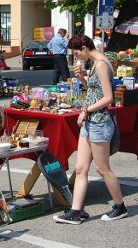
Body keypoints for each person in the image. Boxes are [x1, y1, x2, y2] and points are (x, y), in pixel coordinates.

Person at [54, 34, 127, 225]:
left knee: (103, 169)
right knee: (80, 168)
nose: (77, 56)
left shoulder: (101, 64)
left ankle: (119, 206)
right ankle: (76, 211)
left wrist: (85, 110)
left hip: (99, 122)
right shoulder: (94, 63)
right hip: (90, 122)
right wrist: (82, 80)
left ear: (85, 48)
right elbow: (95, 92)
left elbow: (108, 98)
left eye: (77, 52)